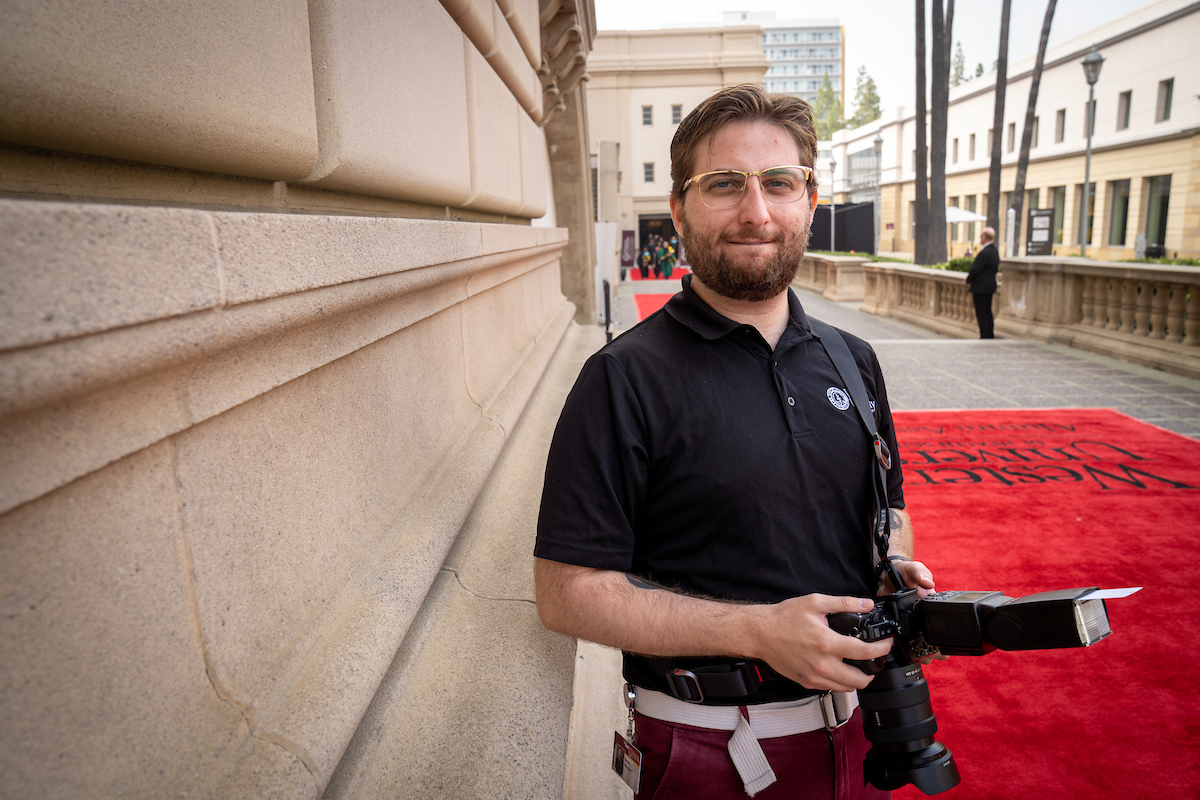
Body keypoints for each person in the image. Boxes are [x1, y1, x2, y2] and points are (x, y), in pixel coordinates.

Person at [534, 84, 936, 799]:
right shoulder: (621, 379)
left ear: (809, 200)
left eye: (779, 183)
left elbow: (891, 511)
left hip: (861, 732)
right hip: (711, 750)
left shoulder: (854, 359)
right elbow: (566, 596)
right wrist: (758, 631)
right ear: (681, 210)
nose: (756, 212)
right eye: (725, 185)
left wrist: (893, 565)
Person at [965, 227, 999, 339]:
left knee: (981, 312)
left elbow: (976, 269)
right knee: (988, 311)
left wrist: (968, 280)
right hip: (990, 286)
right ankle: (989, 334)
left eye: (981, 236)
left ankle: (985, 335)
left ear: (984, 238)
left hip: (981, 287)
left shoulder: (985, 252)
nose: (980, 239)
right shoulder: (994, 251)